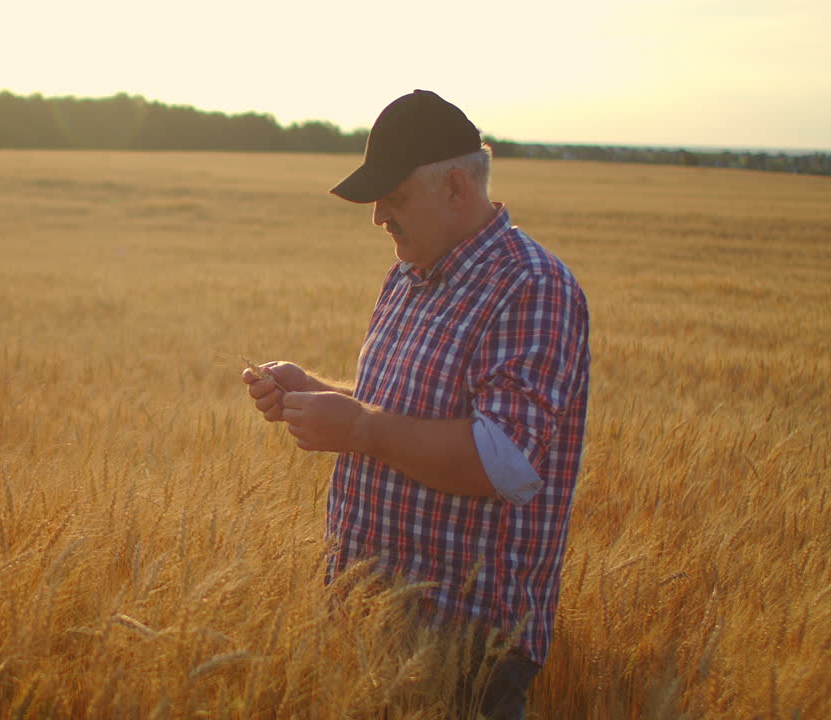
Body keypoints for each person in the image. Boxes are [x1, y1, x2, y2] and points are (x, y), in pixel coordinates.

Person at [241, 90, 590, 719]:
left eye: (393, 198)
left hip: (468, 648)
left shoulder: (532, 286)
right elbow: (395, 409)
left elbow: (502, 460)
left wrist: (361, 430)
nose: (378, 217)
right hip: (367, 614)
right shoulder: (409, 275)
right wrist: (314, 392)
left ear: (456, 187)